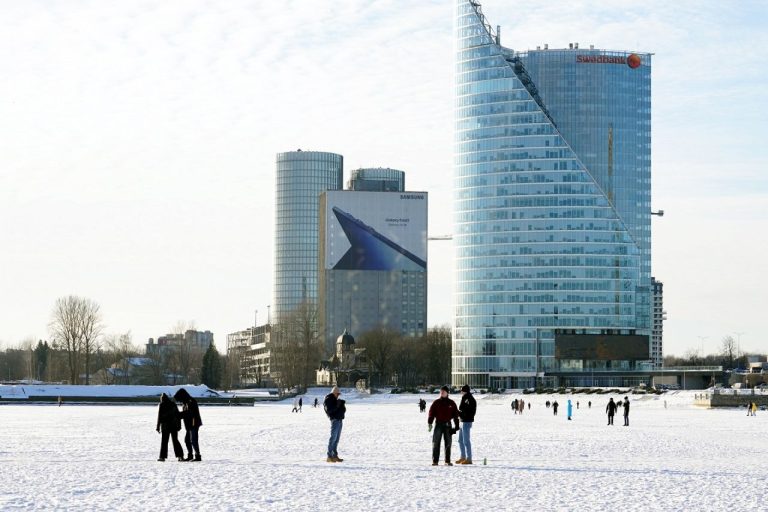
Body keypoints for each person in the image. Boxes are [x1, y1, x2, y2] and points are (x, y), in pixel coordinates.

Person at [428, 386, 460, 466]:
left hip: (448, 425)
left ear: (447, 393)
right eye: (441, 391)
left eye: (443, 391)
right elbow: (431, 412)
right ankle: (435, 461)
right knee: (436, 443)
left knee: (448, 444)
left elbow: (456, 415)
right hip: (438, 424)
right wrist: (430, 422)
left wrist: (456, 426)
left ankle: (447, 461)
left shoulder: (451, 403)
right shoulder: (436, 402)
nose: (442, 392)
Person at [174, 388, 203, 462]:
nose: (179, 401)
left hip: (194, 424)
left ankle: (198, 456)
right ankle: (190, 455)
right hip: (189, 425)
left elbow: (189, 413)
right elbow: (185, 414)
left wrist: (179, 415)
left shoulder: (191, 401)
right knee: (187, 440)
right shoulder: (185, 403)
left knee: (193, 440)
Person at [156, 393, 184, 462]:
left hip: (165, 427)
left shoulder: (162, 405)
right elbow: (178, 415)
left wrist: (158, 427)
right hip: (174, 426)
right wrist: (179, 426)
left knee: (164, 442)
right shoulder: (173, 404)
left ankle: (162, 457)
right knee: (175, 441)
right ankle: (180, 456)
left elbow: (159, 417)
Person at [323, 386, 346, 462]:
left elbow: (341, 411)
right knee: (333, 438)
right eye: (337, 394)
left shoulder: (335, 400)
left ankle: (334, 455)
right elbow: (329, 411)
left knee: (336, 439)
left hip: (339, 420)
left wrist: (342, 405)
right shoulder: (328, 399)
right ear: (334, 393)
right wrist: (337, 405)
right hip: (335, 420)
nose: (338, 395)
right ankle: (329, 456)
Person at [456, 385, 476, 465]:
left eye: (462, 390)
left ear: (465, 391)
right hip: (462, 421)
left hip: (466, 421)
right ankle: (463, 456)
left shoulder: (470, 399)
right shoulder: (465, 398)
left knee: (466, 441)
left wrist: (459, 413)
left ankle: (469, 458)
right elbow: (462, 409)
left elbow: (469, 411)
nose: (460, 392)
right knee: (460, 440)